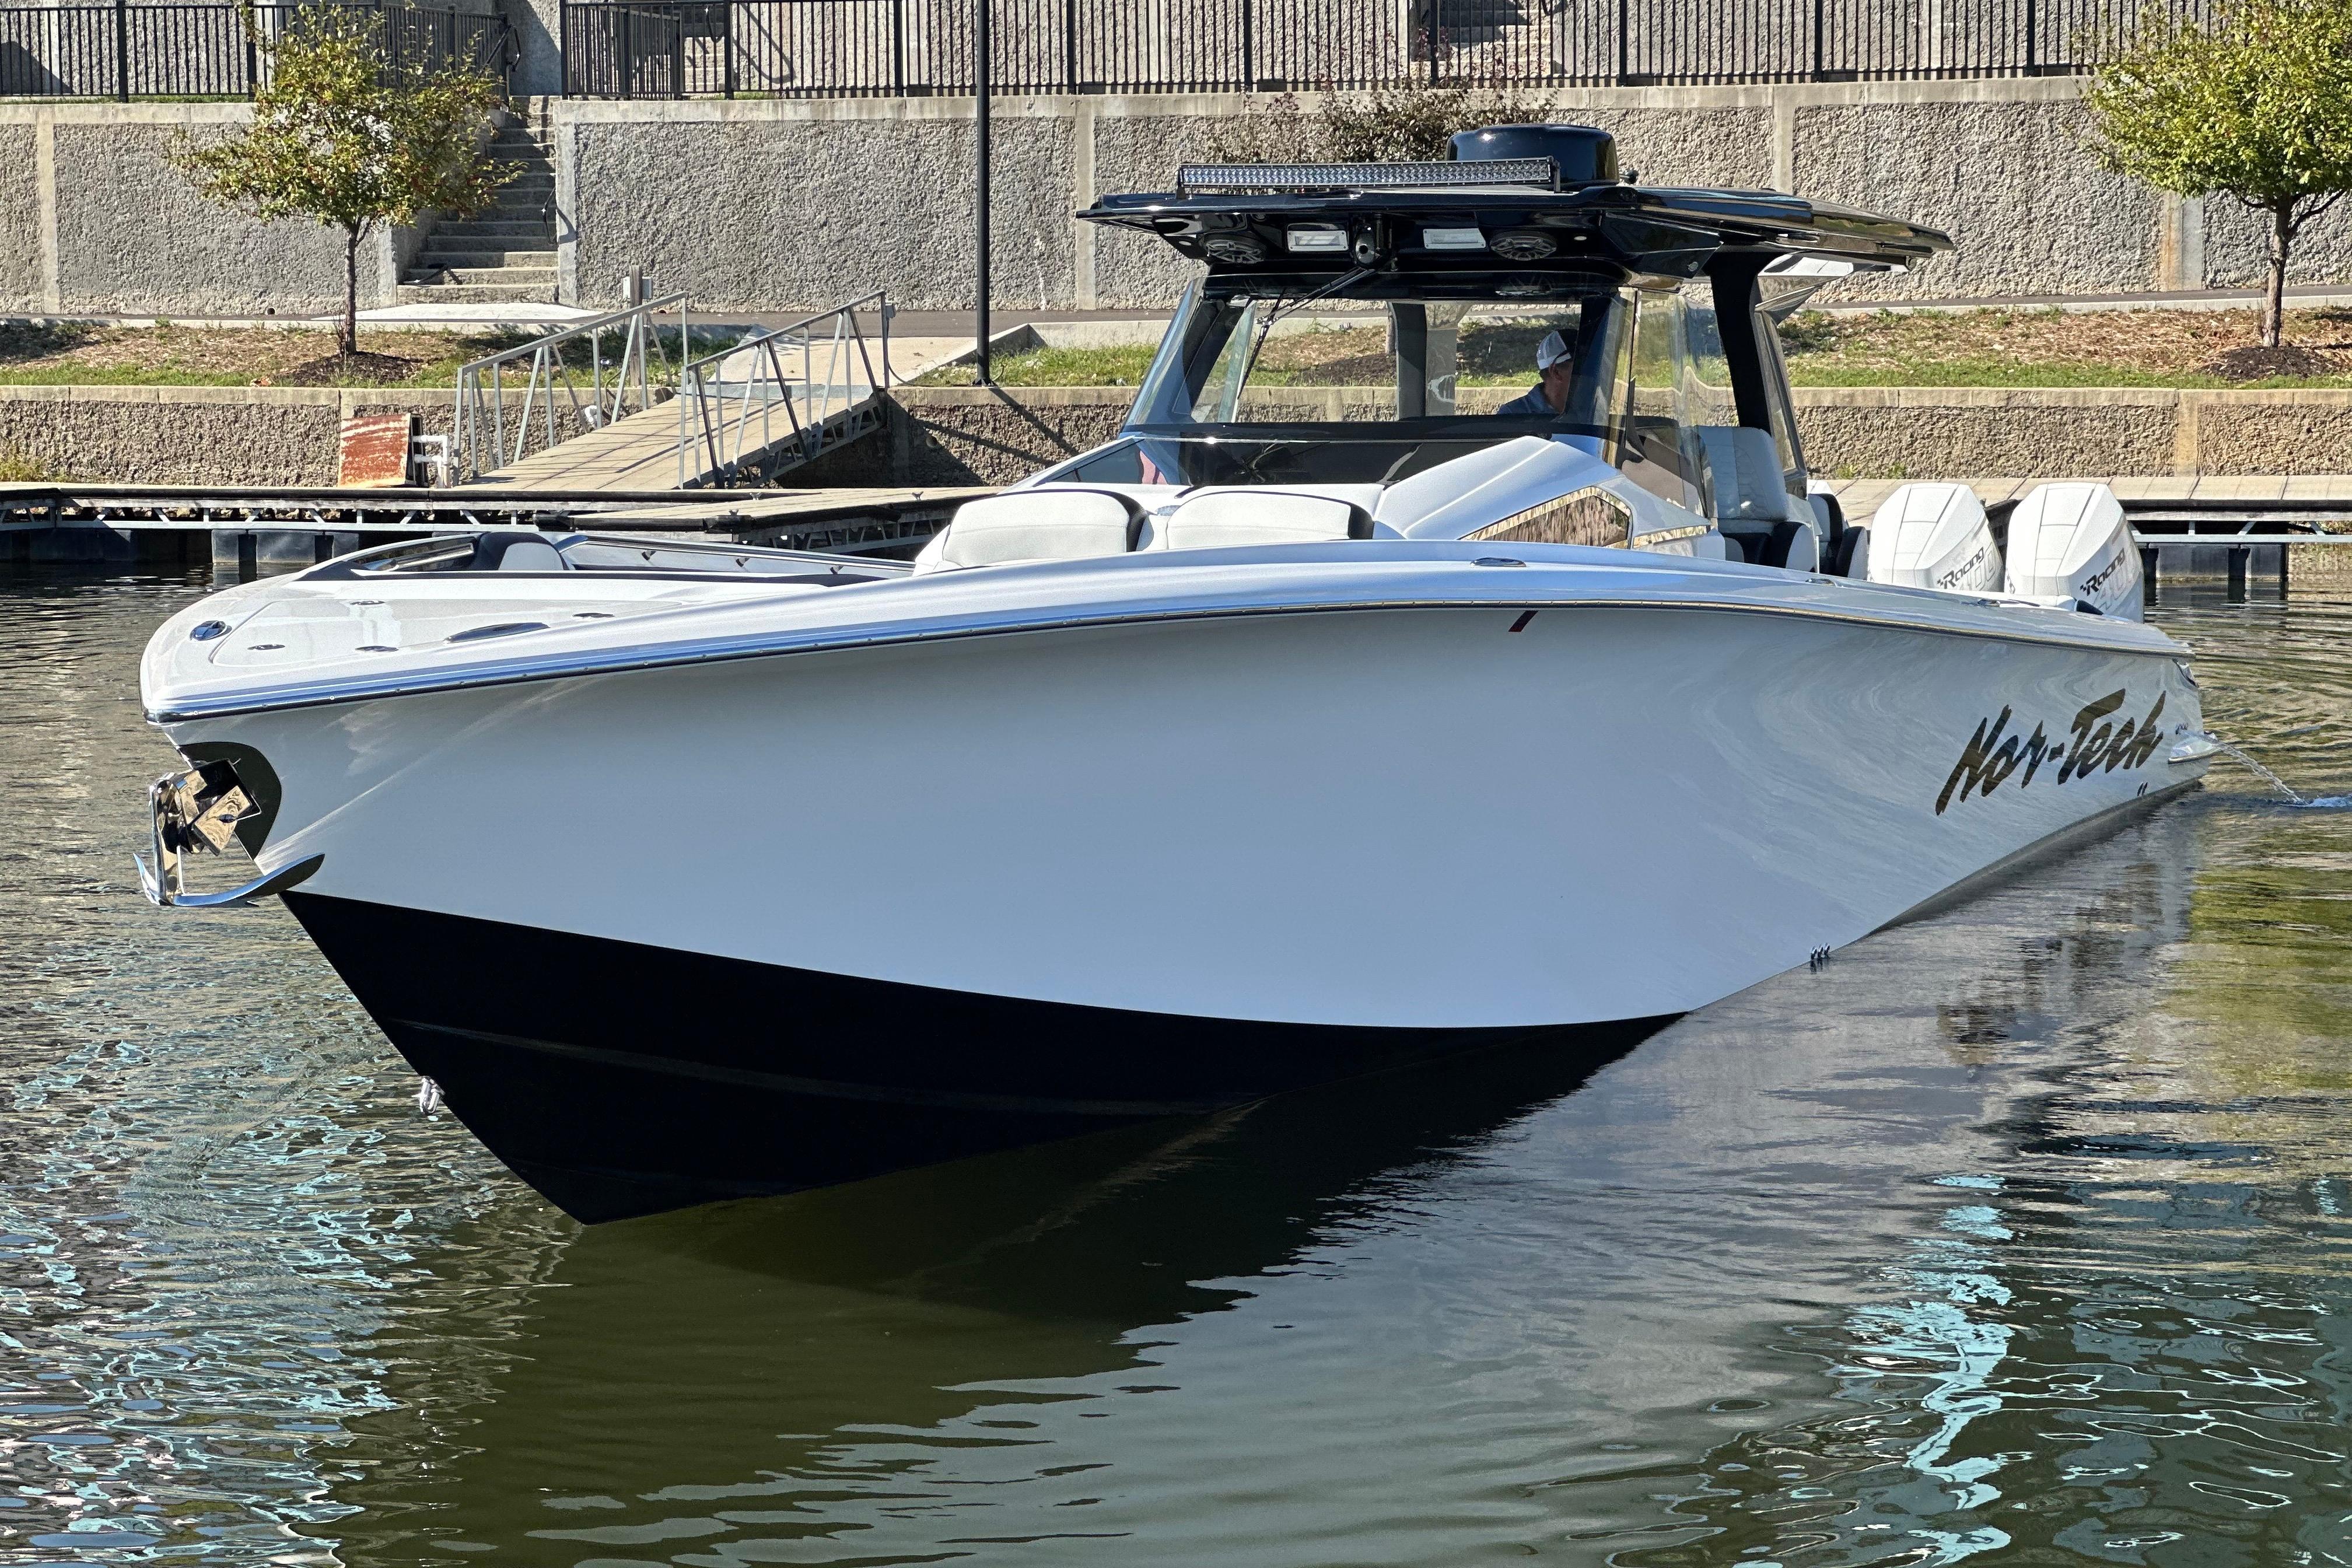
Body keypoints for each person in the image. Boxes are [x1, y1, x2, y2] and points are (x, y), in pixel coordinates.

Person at [1494, 330, 1576, 420]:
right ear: (1556, 372)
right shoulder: (1511, 416)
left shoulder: (1590, 411)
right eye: (1583, 367)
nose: (1591, 375)